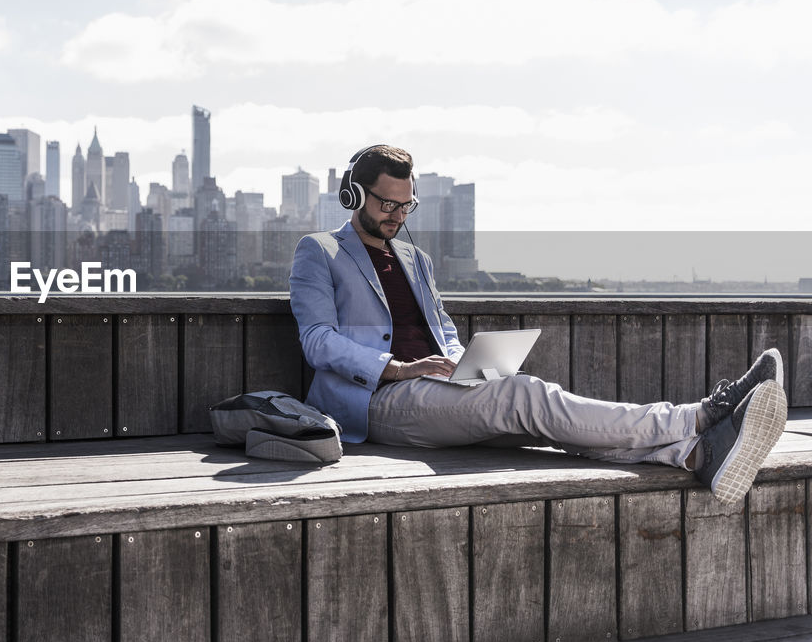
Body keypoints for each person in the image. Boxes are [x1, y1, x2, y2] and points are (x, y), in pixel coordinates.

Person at [289, 144, 787, 505]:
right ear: (355, 195)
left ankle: (698, 456)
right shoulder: (321, 251)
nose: (397, 214)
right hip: (376, 401)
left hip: (437, 391)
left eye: (406, 205)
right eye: (386, 203)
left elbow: (442, 329)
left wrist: (465, 366)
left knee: (548, 423)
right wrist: (398, 368)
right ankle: (698, 416)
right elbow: (317, 341)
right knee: (526, 395)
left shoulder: (416, 259)